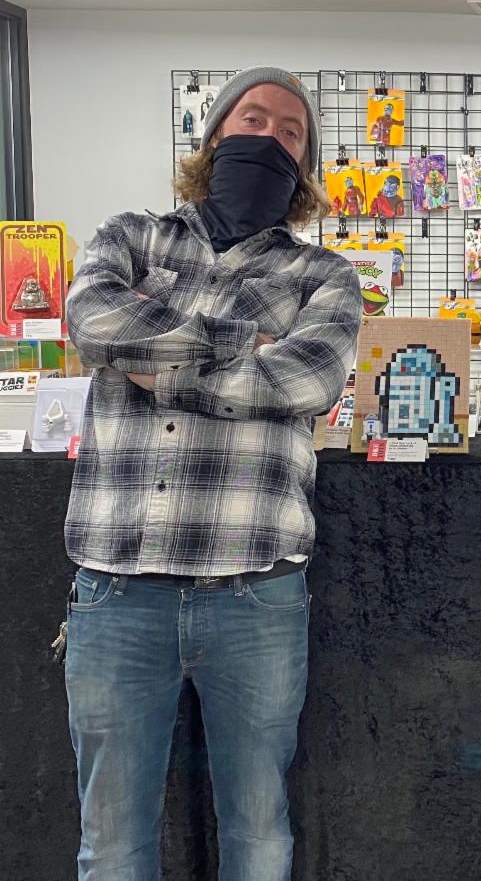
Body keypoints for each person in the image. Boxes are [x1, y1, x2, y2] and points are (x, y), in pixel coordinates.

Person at [62, 66, 361, 881]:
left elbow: (308, 381)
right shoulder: (130, 237)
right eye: (253, 119)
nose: (270, 138)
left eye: (291, 132)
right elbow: (92, 322)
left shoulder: (326, 275)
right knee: (112, 842)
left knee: (258, 835)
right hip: (118, 587)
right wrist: (242, 347)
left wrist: (153, 366)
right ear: (215, 135)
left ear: (306, 165)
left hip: (255, 591)